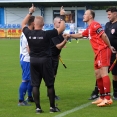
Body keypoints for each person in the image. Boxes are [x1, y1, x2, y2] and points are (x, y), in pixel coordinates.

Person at [64, 9, 116, 107]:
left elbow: (104, 35)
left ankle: (108, 98)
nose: (83, 16)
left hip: (102, 50)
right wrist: (70, 35)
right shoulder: (89, 27)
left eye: (85, 14)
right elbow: (80, 35)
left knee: (104, 73)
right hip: (97, 53)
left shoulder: (95, 24)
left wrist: (109, 46)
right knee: (97, 75)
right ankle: (101, 97)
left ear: (90, 16)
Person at [21, 4, 66, 113]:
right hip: (45, 61)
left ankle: (38, 108)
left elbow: (22, 24)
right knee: (49, 84)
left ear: (34, 24)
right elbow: (62, 28)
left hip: (34, 61)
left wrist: (30, 12)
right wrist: (62, 16)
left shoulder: (29, 33)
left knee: (35, 85)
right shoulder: (47, 34)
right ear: (43, 24)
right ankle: (52, 107)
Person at [49, 17, 68, 100]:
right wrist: (65, 40)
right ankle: (51, 93)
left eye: (61, 22)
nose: (60, 24)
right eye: (59, 22)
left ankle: (50, 92)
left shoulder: (59, 33)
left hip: (55, 56)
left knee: (53, 76)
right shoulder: (54, 33)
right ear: (54, 24)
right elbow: (59, 46)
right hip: (51, 58)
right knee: (51, 76)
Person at [18, 16, 35, 106]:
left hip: (24, 58)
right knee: (26, 80)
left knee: (31, 79)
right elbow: (29, 49)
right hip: (27, 59)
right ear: (32, 23)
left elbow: (23, 24)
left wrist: (30, 13)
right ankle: (21, 100)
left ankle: (30, 96)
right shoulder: (29, 34)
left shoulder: (25, 31)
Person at [105, 6, 117, 100]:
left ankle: (116, 93)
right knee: (102, 72)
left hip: (116, 53)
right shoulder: (107, 24)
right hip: (106, 52)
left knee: (115, 74)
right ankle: (98, 92)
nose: (108, 16)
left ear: (115, 14)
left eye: (109, 14)